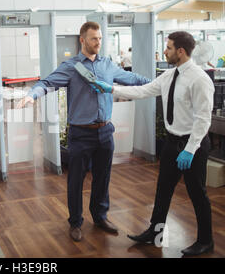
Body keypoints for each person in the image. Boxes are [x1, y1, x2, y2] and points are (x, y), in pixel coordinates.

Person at [16, 21, 151, 242]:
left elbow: (133, 79)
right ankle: (75, 222)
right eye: (93, 39)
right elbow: (47, 82)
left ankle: (100, 216)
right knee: (76, 181)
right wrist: (32, 95)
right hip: (80, 134)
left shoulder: (108, 65)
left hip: (105, 131)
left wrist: (160, 83)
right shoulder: (70, 67)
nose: (98, 43)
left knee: (102, 178)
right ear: (82, 40)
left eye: (100, 38)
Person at [93, 31, 215, 256]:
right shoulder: (169, 76)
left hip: (193, 145)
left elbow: (203, 118)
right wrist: (112, 89)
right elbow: (143, 90)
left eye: (168, 48)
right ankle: (155, 234)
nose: (165, 51)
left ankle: (206, 241)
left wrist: (189, 150)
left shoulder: (199, 79)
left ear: (180, 51)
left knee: (197, 193)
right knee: (163, 191)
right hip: (171, 142)